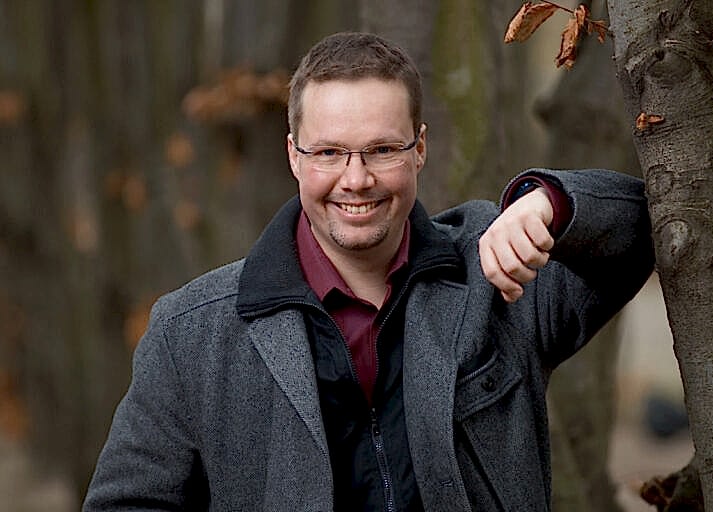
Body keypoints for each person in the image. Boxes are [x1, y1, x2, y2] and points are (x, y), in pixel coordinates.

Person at [83, 31, 654, 511]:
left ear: (420, 149)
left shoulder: (497, 273)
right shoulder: (192, 333)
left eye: (382, 149)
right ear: (292, 156)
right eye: (329, 153)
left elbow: (644, 232)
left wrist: (550, 202)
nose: (356, 179)